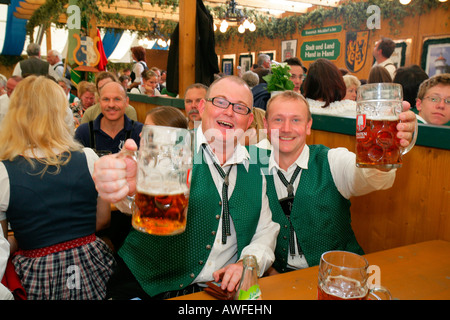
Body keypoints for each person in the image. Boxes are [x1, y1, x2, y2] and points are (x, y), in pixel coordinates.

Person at [93, 75, 279, 299]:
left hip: (216, 291)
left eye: (240, 107)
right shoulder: (173, 145)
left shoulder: (256, 165)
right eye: (220, 102)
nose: (229, 112)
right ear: (202, 107)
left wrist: (246, 264)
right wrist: (130, 190)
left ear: (249, 121)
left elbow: (265, 232)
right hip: (147, 284)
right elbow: (132, 203)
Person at [258, 91, 417, 274]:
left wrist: (383, 157)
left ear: (308, 126)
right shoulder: (257, 160)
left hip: (340, 275)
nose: (286, 128)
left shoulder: (332, 159)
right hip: (280, 278)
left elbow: (369, 177)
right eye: (278, 119)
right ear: (266, 125)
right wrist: (269, 271)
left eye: (296, 120)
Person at [0, 75, 115, 299]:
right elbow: (103, 220)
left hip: (39, 270)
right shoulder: (89, 157)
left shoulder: (4, 172)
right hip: (88, 262)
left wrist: (25, 237)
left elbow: (3, 243)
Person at [75, 81, 143, 155]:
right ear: (99, 102)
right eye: (106, 99)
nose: (111, 105)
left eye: (117, 99)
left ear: (126, 102)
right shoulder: (84, 132)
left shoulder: (139, 132)